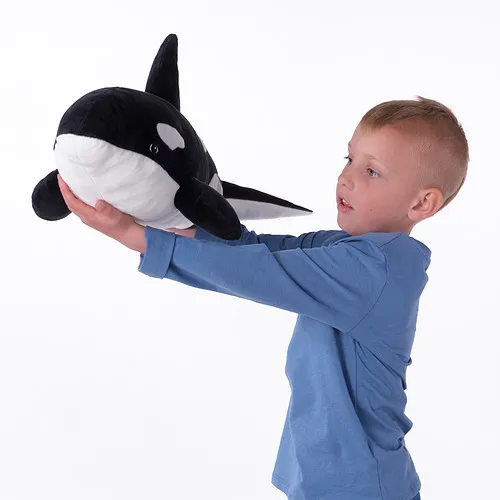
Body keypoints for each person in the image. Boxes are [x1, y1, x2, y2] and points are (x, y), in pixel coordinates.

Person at [57, 95, 469, 500]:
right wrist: (175, 227)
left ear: (422, 202)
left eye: (372, 171)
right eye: (349, 160)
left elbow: (258, 272)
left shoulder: (371, 271)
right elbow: (258, 249)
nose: (347, 178)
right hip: (327, 479)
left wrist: (135, 237)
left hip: (359, 487)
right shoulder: (345, 249)